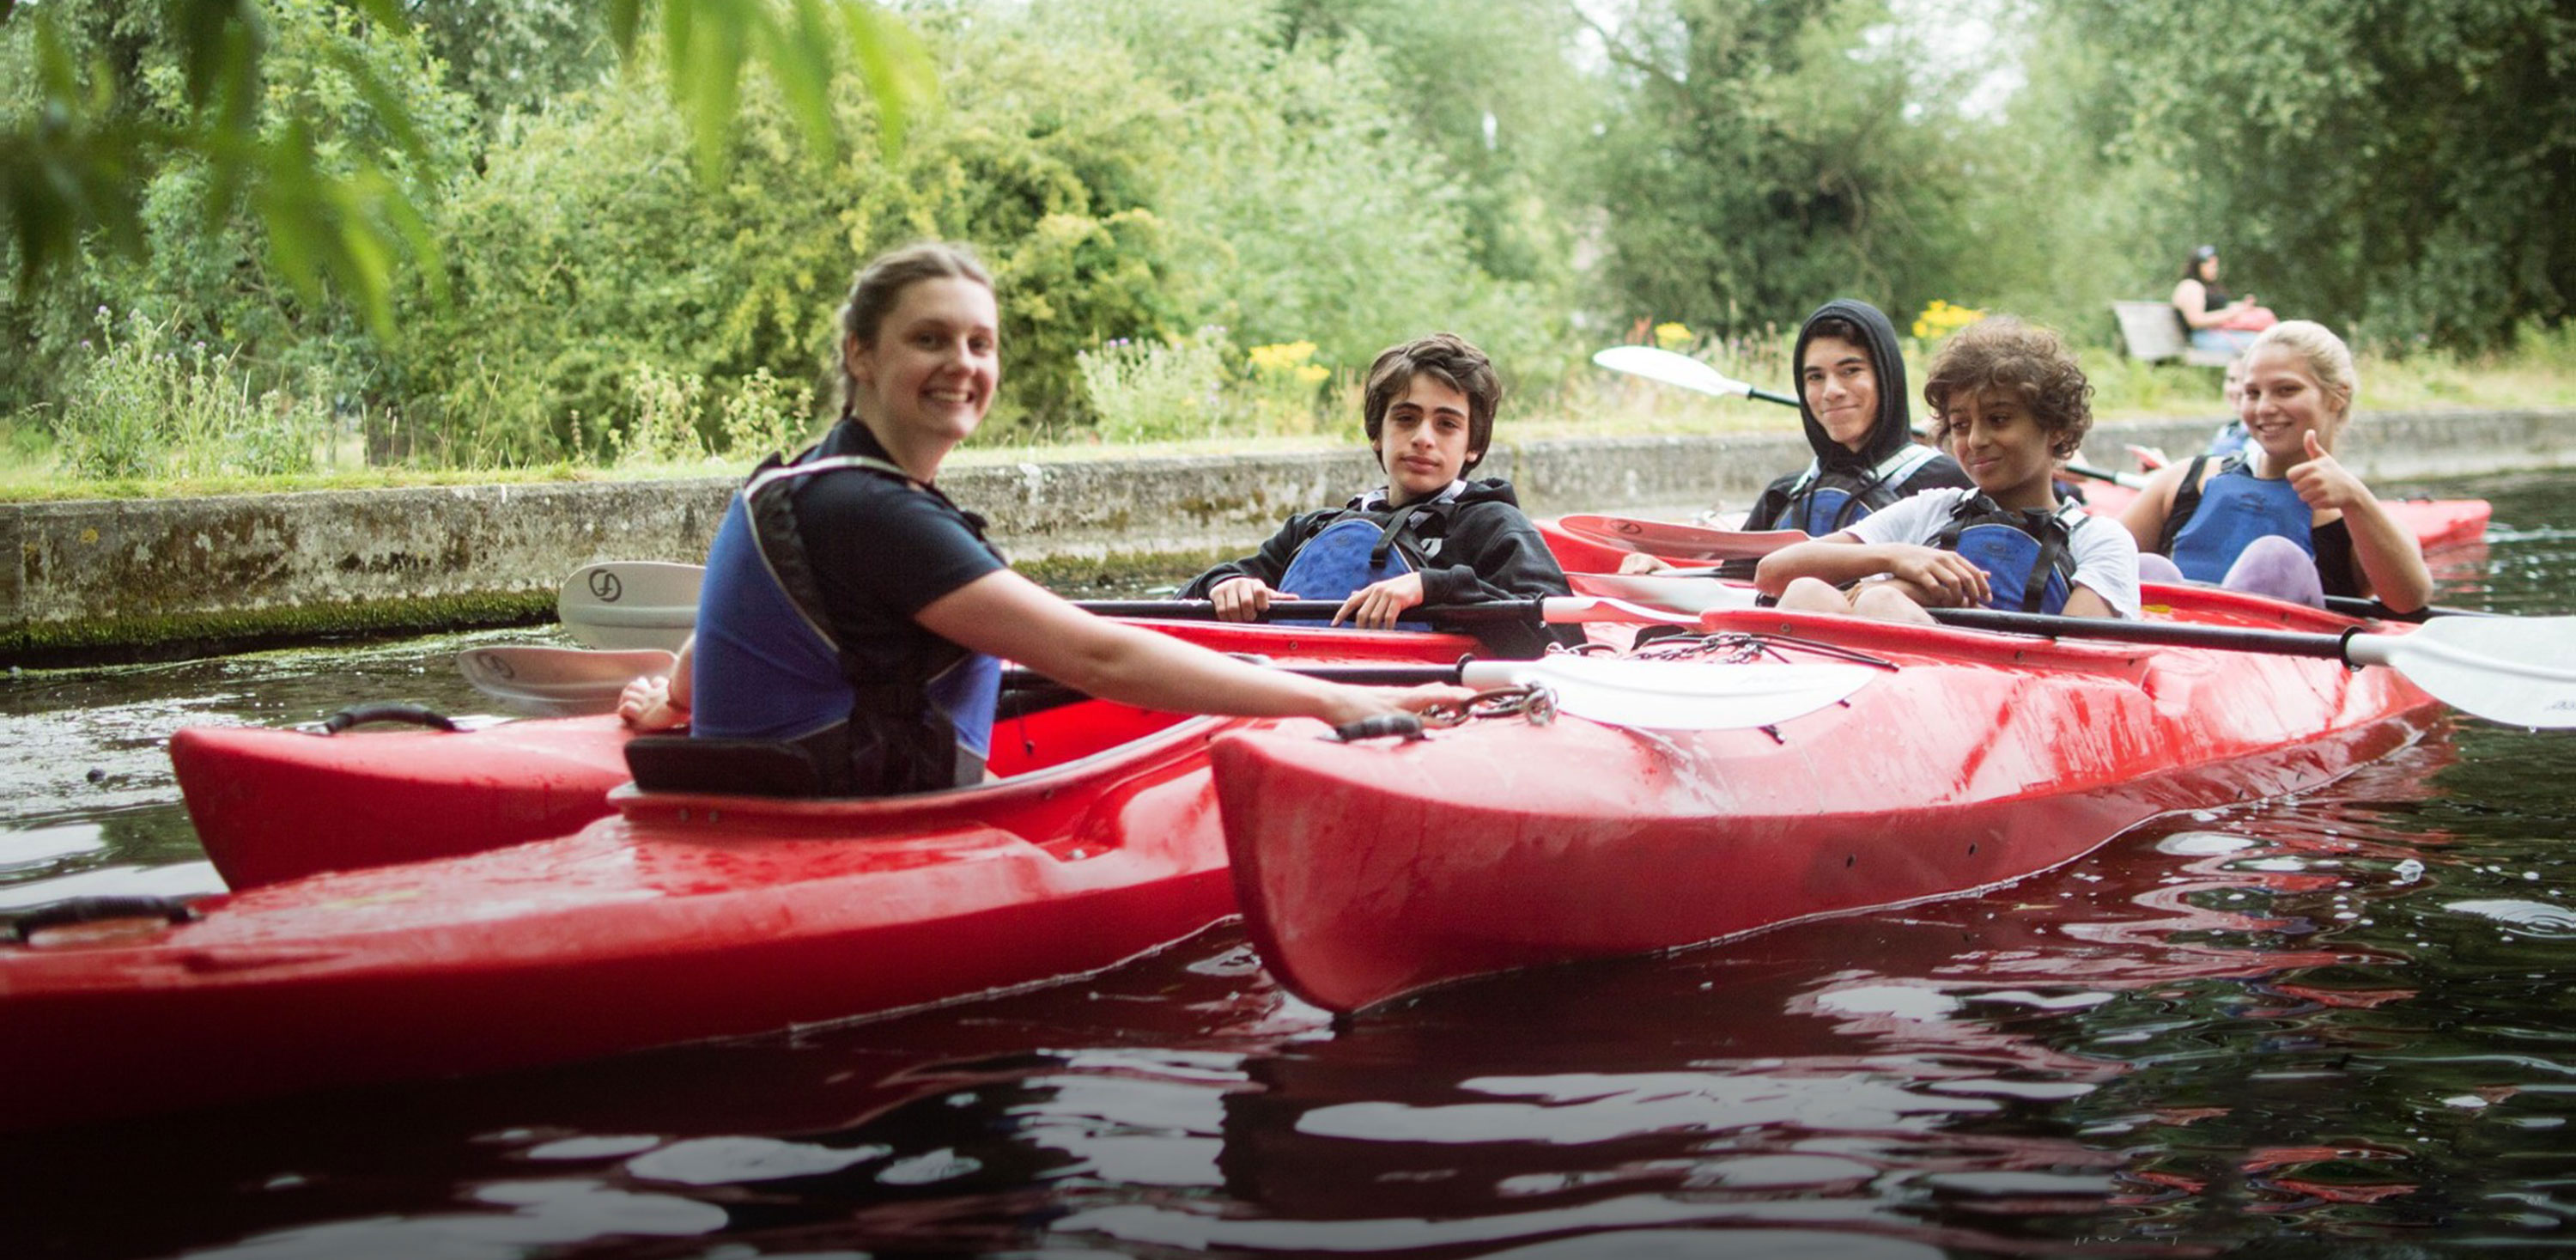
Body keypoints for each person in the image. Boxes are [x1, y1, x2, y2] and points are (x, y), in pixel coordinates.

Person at [617, 242, 1468, 794]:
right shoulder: (873, 511)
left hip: (775, 793)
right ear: (861, 354)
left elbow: (730, 641)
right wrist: (1330, 705)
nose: (962, 364)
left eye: (980, 344)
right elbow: (1098, 653)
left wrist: (675, 699)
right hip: (843, 830)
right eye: (931, 340)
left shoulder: (808, 476)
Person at [1176, 333, 1581, 659]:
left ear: (1472, 445)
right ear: (1377, 433)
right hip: (1309, 691)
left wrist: (1433, 587)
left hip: (1433, 706)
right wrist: (1224, 584)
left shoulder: (1494, 525)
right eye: (1406, 418)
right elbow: (1184, 602)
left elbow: (1563, 637)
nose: (1423, 438)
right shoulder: (1316, 529)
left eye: (1446, 424)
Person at [1755, 316, 2140, 624]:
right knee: (1809, 592)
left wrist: (1915, 593)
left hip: (2003, 703)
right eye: (1960, 425)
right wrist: (1893, 558)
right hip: (1890, 696)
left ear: (2056, 428)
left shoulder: (2101, 541)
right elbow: (1772, 572)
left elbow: (2072, 665)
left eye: (1999, 419)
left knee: (1883, 603)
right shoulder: (1934, 509)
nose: (1975, 440)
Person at [1620, 299, 1973, 576]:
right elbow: (1731, 584)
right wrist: (1666, 573)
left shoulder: (1947, 487)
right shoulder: (1785, 493)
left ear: (1887, 377)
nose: (1831, 391)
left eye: (1850, 371)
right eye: (1815, 377)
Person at [2119, 320, 2433, 613]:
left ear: (2338, 396)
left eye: (2286, 390)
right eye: (2252, 393)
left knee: (2274, 560)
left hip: (2273, 666)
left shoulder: (2353, 512)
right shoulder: (2186, 479)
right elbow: (2097, 562)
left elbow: (2410, 600)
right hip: (2168, 659)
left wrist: (2356, 499)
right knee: (2149, 569)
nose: (2265, 408)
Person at [2172, 244, 2275, 358]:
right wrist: (2230, 314)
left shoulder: (2206, 286)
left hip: (2215, 334)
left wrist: (2241, 308)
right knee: (2267, 344)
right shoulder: (2191, 286)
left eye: (2216, 265)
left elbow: (2216, 308)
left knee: (2270, 339)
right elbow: (2196, 321)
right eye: (2210, 265)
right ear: (2198, 266)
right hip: (2202, 338)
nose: (2215, 269)